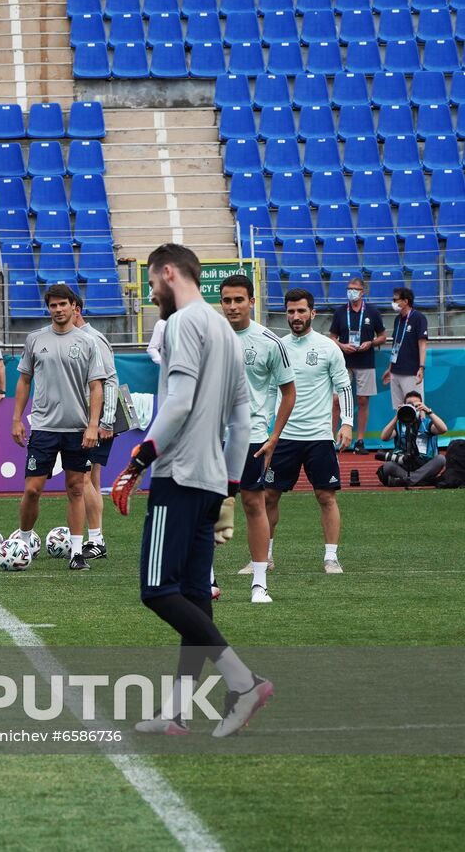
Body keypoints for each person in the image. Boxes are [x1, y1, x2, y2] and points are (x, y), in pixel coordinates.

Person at [110, 244, 271, 739]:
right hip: (209, 482)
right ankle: (176, 712)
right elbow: (243, 422)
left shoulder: (182, 323)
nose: (150, 293)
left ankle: (243, 682)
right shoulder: (225, 329)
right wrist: (227, 488)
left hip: (177, 477)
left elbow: (178, 403)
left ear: (169, 272)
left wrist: (137, 461)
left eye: (152, 283)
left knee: (157, 590)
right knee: (195, 601)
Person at [10, 284, 110, 572]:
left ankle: (76, 553)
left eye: (62, 304)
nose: (58, 310)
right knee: (32, 489)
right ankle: (25, 541)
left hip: (78, 429)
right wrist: (17, 418)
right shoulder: (35, 340)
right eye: (53, 305)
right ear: (48, 308)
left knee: (76, 488)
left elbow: (96, 387)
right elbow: (24, 381)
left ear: (73, 306)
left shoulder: (88, 342)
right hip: (43, 427)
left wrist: (93, 425)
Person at [265, 288, 355, 575]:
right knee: (268, 495)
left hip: (318, 436)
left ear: (312, 313)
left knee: (326, 496)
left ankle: (331, 558)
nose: (296, 316)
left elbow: (344, 386)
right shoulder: (278, 346)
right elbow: (268, 390)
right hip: (284, 435)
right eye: (291, 311)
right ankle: (264, 556)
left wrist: (347, 422)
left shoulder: (329, 348)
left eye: (301, 310)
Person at [219, 276, 296, 605]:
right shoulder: (208, 338)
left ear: (252, 301)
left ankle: (259, 584)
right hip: (210, 436)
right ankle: (203, 579)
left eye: (239, 300)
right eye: (227, 300)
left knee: (253, 504)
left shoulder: (269, 341)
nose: (232, 306)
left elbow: (289, 392)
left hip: (250, 437)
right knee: (204, 507)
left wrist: (275, 437)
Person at [71, 295, 119, 561]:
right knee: (92, 479)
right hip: (83, 418)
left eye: (64, 306)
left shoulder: (94, 338)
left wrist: (106, 420)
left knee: (84, 478)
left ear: (76, 310)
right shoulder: (72, 339)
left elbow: (109, 380)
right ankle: (95, 537)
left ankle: (96, 539)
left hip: (98, 420)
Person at [328, 276, 386, 453]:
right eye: (348, 288)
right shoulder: (340, 312)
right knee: (336, 401)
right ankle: (330, 439)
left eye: (354, 288)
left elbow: (383, 336)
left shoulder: (372, 312)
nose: (350, 292)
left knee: (362, 400)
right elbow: (332, 337)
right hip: (343, 363)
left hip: (365, 361)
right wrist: (342, 346)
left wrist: (371, 343)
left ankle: (360, 440)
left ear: (362, 292)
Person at [376, 391, 448, 487]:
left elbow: (443, 429)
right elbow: (384, 437)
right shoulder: (399, 425)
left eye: (416, 405)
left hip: (425, 465)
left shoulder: (427, 424)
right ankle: (420, 480)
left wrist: (428, 411)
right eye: (410, 405)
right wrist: (397, 416)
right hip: (405, 465)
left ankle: (407, 481)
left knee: (441, 459)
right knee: (388, 466)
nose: (413, 408)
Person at [383, 287, 429, 408]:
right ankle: (400, 428)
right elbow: (395, 345)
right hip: (395, 371)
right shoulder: (398, 319)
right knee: (398, 409)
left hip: (411, 371)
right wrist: (390, 368)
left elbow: (422, 344)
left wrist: (421, 367)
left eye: (396, 299)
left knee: (416, 407)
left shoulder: (419, 318)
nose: (393, 302)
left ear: (405, 301)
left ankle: (420, 427)